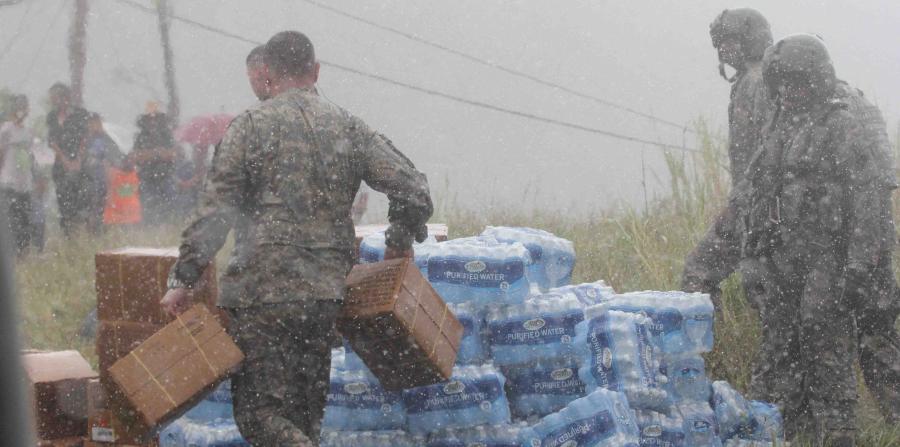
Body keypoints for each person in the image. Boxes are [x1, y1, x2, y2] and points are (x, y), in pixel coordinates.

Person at [161, 31, 433, 446]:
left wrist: (184, 278)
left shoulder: (250, 126)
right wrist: (399, 242)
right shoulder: (348, 126)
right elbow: (412, 186)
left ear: (267, 73)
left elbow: (215, 212)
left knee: (259, 415)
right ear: (316, 71)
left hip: (262, 294)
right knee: (304, 415)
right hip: (324, 296)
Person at [684, 11, 900, 428]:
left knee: (834, 329)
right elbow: (765, 173)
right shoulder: (800, 86)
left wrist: (754, 242)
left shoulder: (770, 88)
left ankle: (808, 419)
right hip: (829, 224)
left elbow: (761, 176)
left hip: (836, 225)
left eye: (730, 43)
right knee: (847, 328)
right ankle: (803, 420)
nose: (724, 53)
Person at [45, 83, 90, 237]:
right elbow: (52, 141)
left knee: (81, 201)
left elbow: (85, 138)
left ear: (64, 97)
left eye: (55, 98)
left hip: (79, 163)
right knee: (64, 201)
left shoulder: (80, 114)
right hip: (61, 165)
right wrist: (64, 159)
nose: (53, 101)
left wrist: (77, 158)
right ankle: (68, 235)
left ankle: (81, 232)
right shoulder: (52, 117)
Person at [0, 95, 37, 257]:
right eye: (19, 106)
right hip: (9, 180)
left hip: (25, 182)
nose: (21, 110)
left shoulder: (28, 131)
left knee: (24, 218)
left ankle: (24, 251)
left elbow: (31, 154)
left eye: (24, 106)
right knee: (11, 217)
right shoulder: (6, 129)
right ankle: (11, 252)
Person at [130, 101, 178, 225]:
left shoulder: (167, 135)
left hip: (165, 174)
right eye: (150, 119)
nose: (153, 122)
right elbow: (136, 156)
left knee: (169, 202)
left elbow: (172, 153)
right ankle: (149, 227)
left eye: (155, 118)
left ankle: (167, 225)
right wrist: (155, 154)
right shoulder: (140, 137)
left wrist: (157, 154)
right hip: (146, 176)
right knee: (147, 204)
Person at [84, 113, 123, 233]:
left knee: (102, 208)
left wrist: (109, 181)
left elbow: (111, 159)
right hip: (90, 180)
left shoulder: (106, 139)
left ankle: (101, 231)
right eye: (91, 123)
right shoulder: (87, 140)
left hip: (103, 180)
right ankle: (93, 231)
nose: (93, 126)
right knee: (92, 208)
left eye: (96, 123)